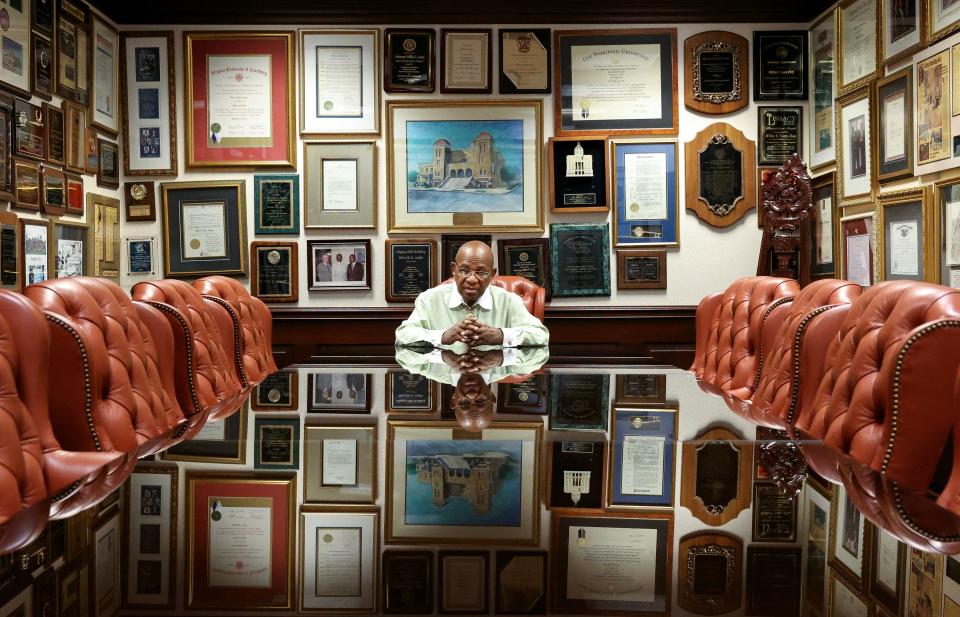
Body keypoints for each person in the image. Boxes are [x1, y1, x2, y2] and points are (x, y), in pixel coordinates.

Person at [395, 240, 549, 347]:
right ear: (454, 270)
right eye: (464, 270)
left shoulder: (508, 301)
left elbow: (541, 335)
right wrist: (442, 337)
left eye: (481, 272)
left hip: (493, 370)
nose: (472, 279)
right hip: (444, 375)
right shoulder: (430, 299)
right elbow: (403, 336)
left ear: (492, 274)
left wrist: (501, 336)